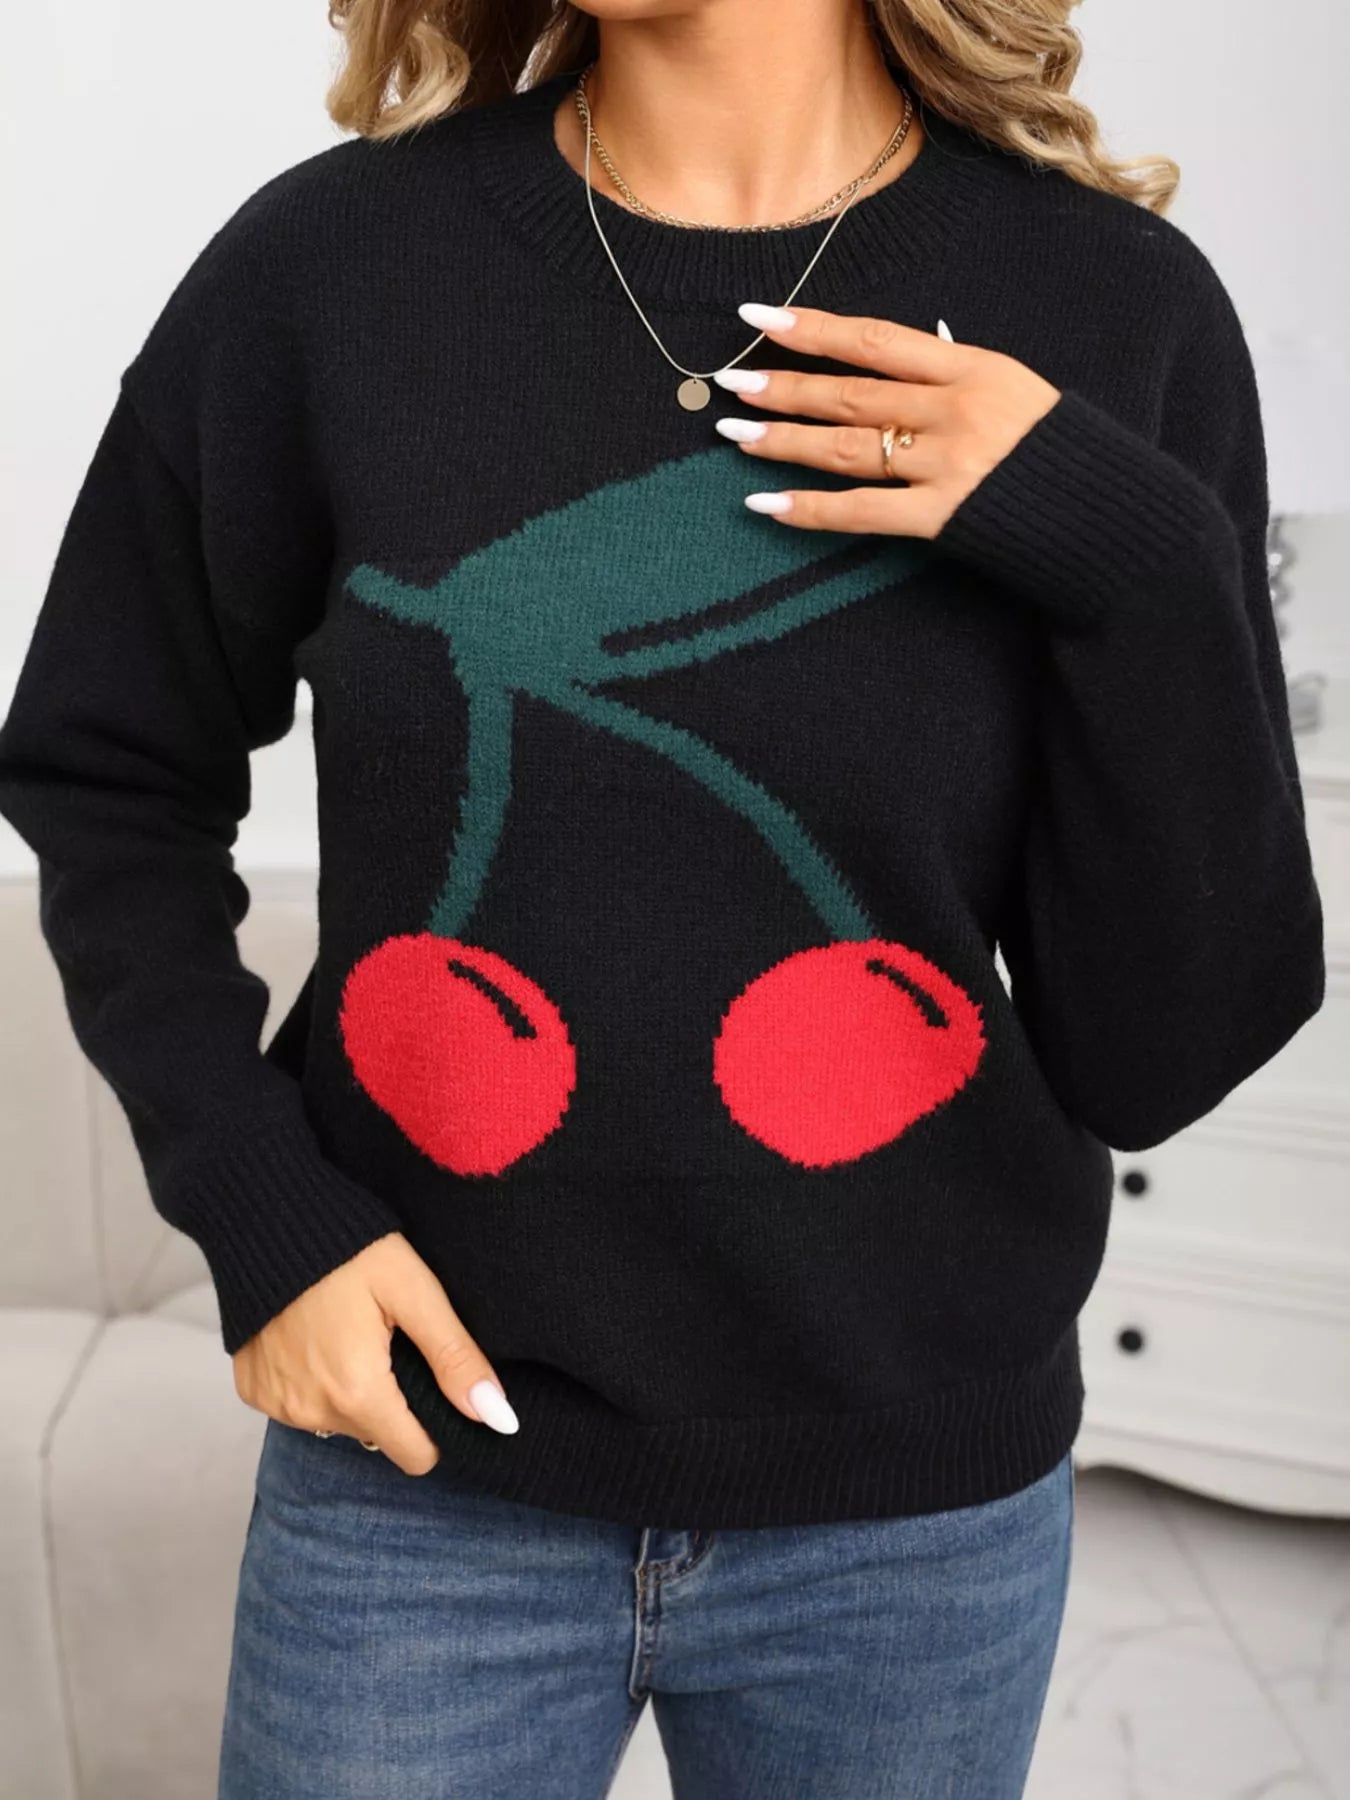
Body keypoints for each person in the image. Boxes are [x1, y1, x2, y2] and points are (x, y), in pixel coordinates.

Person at [0, 1, 1325, 1795]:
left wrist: (1126, 544)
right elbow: (104, 770)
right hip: (419, 1484)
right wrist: (263, 1215)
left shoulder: (1110, 310)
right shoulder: (327, 274)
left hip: (909, 1527)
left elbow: (1156, 1055)